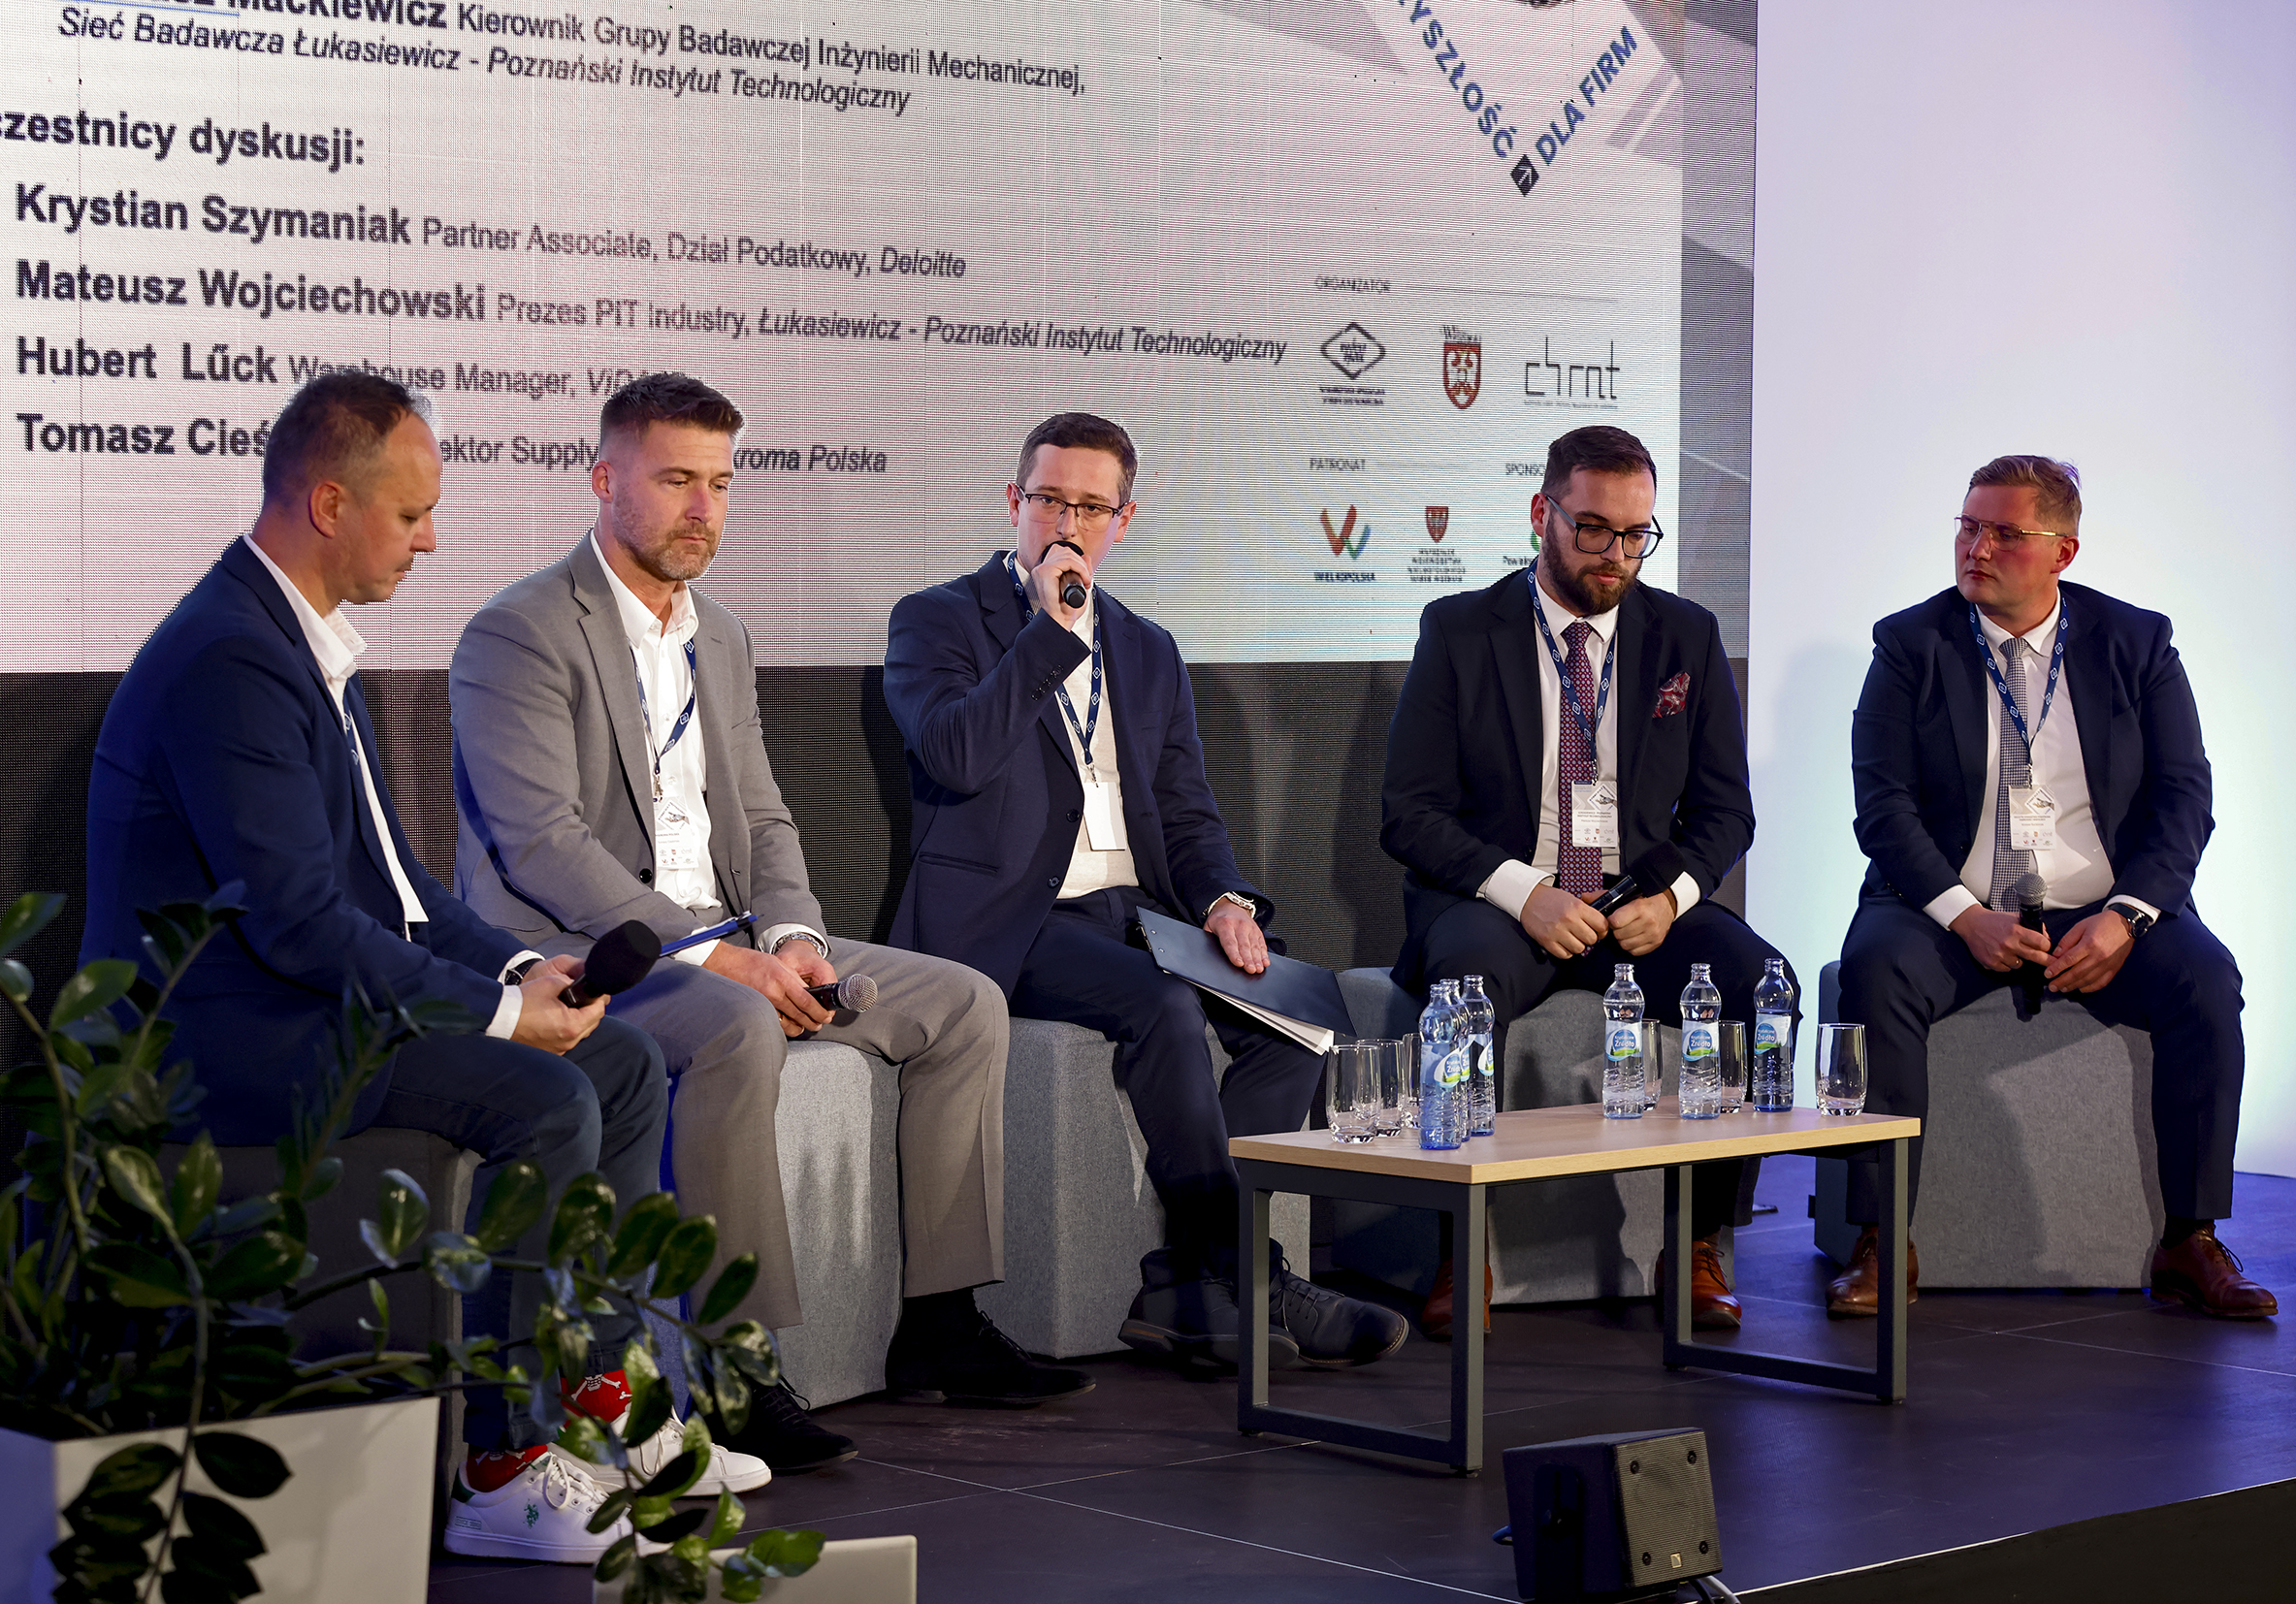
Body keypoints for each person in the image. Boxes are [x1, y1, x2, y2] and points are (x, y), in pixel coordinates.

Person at [80, 372, 688, 1565]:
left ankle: (597, 1395)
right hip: (221, 1041)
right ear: (328, 504)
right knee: (545, 1095)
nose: (430, 539)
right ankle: (501, 1465)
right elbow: (302, 927)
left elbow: (399, 889)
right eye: (410, 515)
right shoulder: (231, 660)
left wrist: (527, 967)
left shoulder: (298, 643)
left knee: (617, 1061)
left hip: (302, 1006)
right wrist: (501, 1018)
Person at [448, 373, 1089, 1470]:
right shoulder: (519, 631)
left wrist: (792, 937)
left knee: (963, 1004)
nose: (703, 508)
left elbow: (762, 815)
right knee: (737, 1024)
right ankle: (733, 1365)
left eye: (720, 483)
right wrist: (716, 959)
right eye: (675, 481)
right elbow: (543, 844)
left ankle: (940, 1320)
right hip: (593, 951)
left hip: (730, 926)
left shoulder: (724, 636)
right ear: (604, 481)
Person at [881, 411, 1408, 1371]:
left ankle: (1188, 1281)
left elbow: (1185, 807)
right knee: (1161, 1005)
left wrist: (1223, 900)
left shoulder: (1147, 648)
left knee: (1301, 1010)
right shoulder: (939, 619)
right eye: (1050, 500)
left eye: (1092, 507)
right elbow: (955, 754)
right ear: (1013, 502)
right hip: (1009, 920)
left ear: (1123, 521)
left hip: (1133, 913)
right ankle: (1251, 1275)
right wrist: (1048, 636)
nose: (1068, 523)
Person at [1833, 454, 2271, 1320]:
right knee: (1874, 972)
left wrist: (2128, 918)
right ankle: (1883, 1239)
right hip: (1945, 906)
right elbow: (1882, 808)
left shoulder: (2136, 642)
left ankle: (2191, 1238)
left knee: (2207, 980)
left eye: (2005, 533)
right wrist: (1965, 916)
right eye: (1967, 527)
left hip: (2100, 907)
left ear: (2063, 551)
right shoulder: (1910, 644)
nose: (1976, 548)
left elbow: (2185, 795)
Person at [1379, 424, 1783, 1332]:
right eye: (1594, 528)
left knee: (1758, 981)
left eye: (1637, 534)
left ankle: (1701, 1242)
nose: (1616, 554)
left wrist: (1671, 898)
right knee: (1464, 987)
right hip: (1502, 900)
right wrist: (1524, 893)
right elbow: (1409, 812)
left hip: (1635, 902)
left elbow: (1727, 813)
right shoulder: (1460, 629)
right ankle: (1461, 1250)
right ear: (1542, 514)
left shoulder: (1686, 634)